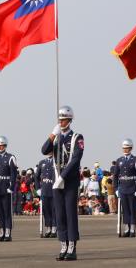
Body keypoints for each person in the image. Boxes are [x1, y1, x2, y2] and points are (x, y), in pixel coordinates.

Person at [41, 106, 84, 261]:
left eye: (64, 119)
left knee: (70, 214)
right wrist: (53, 135)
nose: (61, 121)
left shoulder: (77, 137)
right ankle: (63, 245)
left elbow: (75, 159)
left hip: (69, 181)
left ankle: (72, 246)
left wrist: (63, 177)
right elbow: (44, 150)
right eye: (60, 119)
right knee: (59, 214)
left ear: (70, 119)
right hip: (56, 180)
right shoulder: (57, 137)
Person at [113, 138, 136, 237]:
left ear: (131, 148)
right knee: (124, 209)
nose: (125, 150)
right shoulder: (119, 160)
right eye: (124, 148)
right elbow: (115, 176)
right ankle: (126, 228)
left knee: (132, 209)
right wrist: (116, 189)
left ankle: (133, 228)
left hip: (132, 188)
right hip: (122, 188)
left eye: (127, 148)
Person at [35, 152, 56, 238]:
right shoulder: (42, 162)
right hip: (44, 190)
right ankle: (48, 228)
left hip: (54, 189)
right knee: (46, 210)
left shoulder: (56, 161)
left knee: (54, 210)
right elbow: (36, 176)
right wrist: (38, 188)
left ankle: (54, 228)